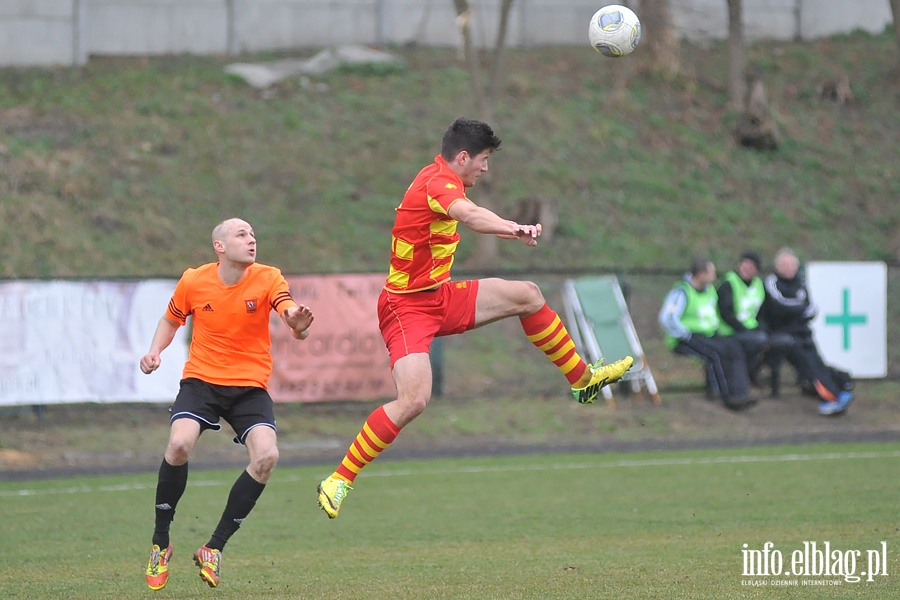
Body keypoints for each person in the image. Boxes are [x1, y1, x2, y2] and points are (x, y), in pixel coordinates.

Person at [315, 117, 633, 519]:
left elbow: (477, 216)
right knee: (414, 400)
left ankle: (582, 381)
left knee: (528, 295)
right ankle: (339, 478)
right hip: (405, 308)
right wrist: (512, 227)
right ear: (462, 157)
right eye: (483, 160)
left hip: (440, 297)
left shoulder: (447, 182)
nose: (486, 168)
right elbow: (471, 216)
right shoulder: (438, 184)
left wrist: (511, 230)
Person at [140, 218, 314, 590]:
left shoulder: (269, 277)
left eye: (253, 234)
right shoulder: (194, 280)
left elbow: (290, 314)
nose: (251, 240)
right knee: (179, 444)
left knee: (267, 457)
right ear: (220, 247)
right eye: (242, 235)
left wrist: (298, 324)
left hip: (249, 386)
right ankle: (160, 541)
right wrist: (155, 351)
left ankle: (213, 548)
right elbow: (171, 320)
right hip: (202, 380)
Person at [759, 247, 853, 415]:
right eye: (784, 264)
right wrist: (798, 308)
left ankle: (841, 387)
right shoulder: (771, 282)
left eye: (791, 264)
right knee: (809, 367)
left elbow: (811, 309)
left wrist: (798, 310)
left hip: (803, 333)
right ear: (777, 266)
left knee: (817, 363)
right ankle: (832, 396)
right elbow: (780, 306)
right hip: (783, 336)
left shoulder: (800, 282)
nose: (788, 268)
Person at [658, 257, 756, 411]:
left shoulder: (710, 290)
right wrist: (684, 333)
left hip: (709, 334)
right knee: (715, 354)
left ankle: (741, 392)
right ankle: (727, 397)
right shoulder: (682, 292)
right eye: (711, 273)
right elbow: (667, 318)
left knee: (734, 348)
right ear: (701, 274)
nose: (714, 277)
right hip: (686, 337)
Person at [716, 250, 795, 390]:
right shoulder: (729, 284)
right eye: (744, 265)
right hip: (731, 331)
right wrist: (746, 330)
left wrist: (762, 329)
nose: (747, 269)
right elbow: (726, 314)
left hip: (753, 330)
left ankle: (755, 372)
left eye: (751, 267)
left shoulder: (759, 285)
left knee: (784, 342)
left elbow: (763, 313)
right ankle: (745, 375)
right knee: (758, 341)